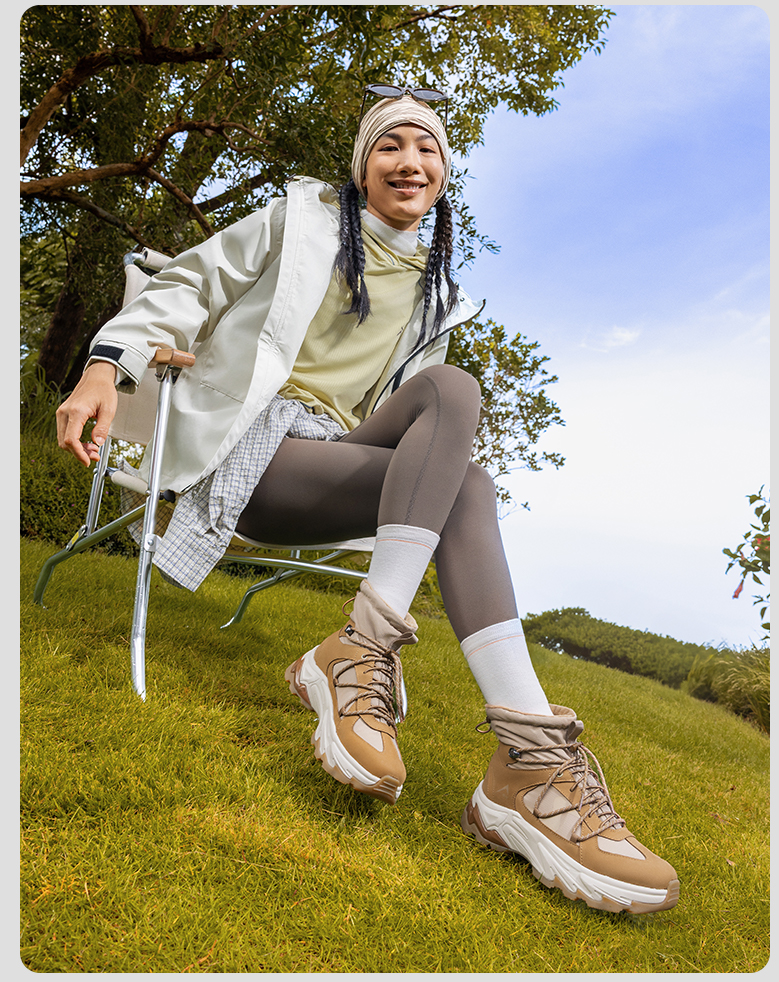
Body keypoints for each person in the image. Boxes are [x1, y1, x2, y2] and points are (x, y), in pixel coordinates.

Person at [56, 85, 679, 914]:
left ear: (444, 174)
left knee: (461, 440)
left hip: (336, 455)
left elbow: (416, 431)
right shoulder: (298, 222)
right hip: (253, 450)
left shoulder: (439, 294)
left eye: (427, 149)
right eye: (391, 145)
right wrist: (106, 365)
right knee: (460, 422)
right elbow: (188, 286)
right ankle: (425, 692)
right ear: (361, 166)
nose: (410, 161)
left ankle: (517, 757)